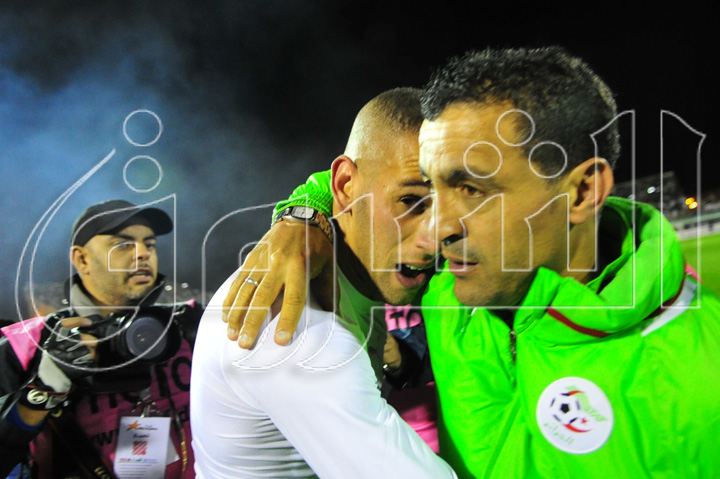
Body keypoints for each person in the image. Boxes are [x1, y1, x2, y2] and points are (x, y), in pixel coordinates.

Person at [221, 47, 720, 478]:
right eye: (430, 190)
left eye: (471, 189)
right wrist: (303, 216)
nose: (435, 228)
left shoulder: (701, 376)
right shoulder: (456, 280)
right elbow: (367, 176)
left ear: (583, 191)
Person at [190, 88, 457, 478]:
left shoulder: (353, 266)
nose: (435, 238)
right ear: (345, 186)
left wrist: (305, 212)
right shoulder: (299, 332)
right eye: (410, 202)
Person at [0, 199, 203, 479]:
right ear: (82, 259)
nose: (143, 253)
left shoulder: (191, 324)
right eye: (123, 245)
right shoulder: (24, 344)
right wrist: (43, 390)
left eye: (150, 244)